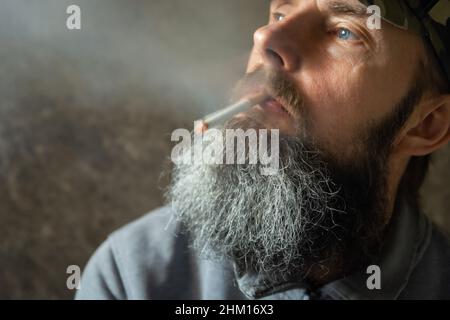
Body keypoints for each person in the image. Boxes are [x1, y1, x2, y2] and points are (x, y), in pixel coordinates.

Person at [76, 0, 450, 300]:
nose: (266, 37)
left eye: (345, 31)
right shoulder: (133, 276)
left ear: (425, 124)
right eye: (281, 11)